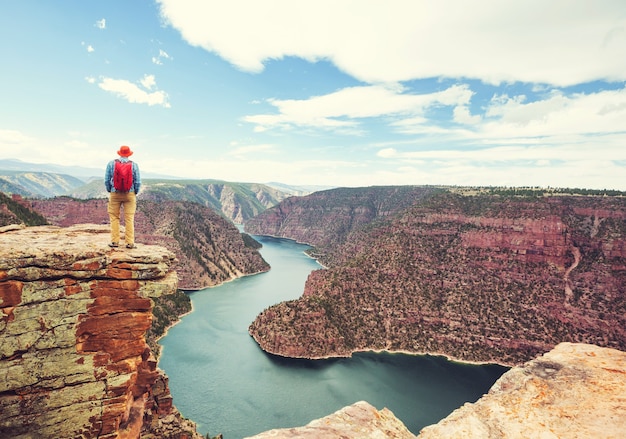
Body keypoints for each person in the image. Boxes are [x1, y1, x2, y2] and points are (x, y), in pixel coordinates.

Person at [104, 145, 141, 249]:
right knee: (129, 218)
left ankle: (115, 241)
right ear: (129, 154)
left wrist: (110, 190)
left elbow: (106, 180)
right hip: (130, 194)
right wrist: (134, 192)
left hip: (115, 193)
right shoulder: (134, 165)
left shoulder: (111, 164)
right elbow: (138, 182)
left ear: (119, 153)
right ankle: (129, 243)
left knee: (114, 218)